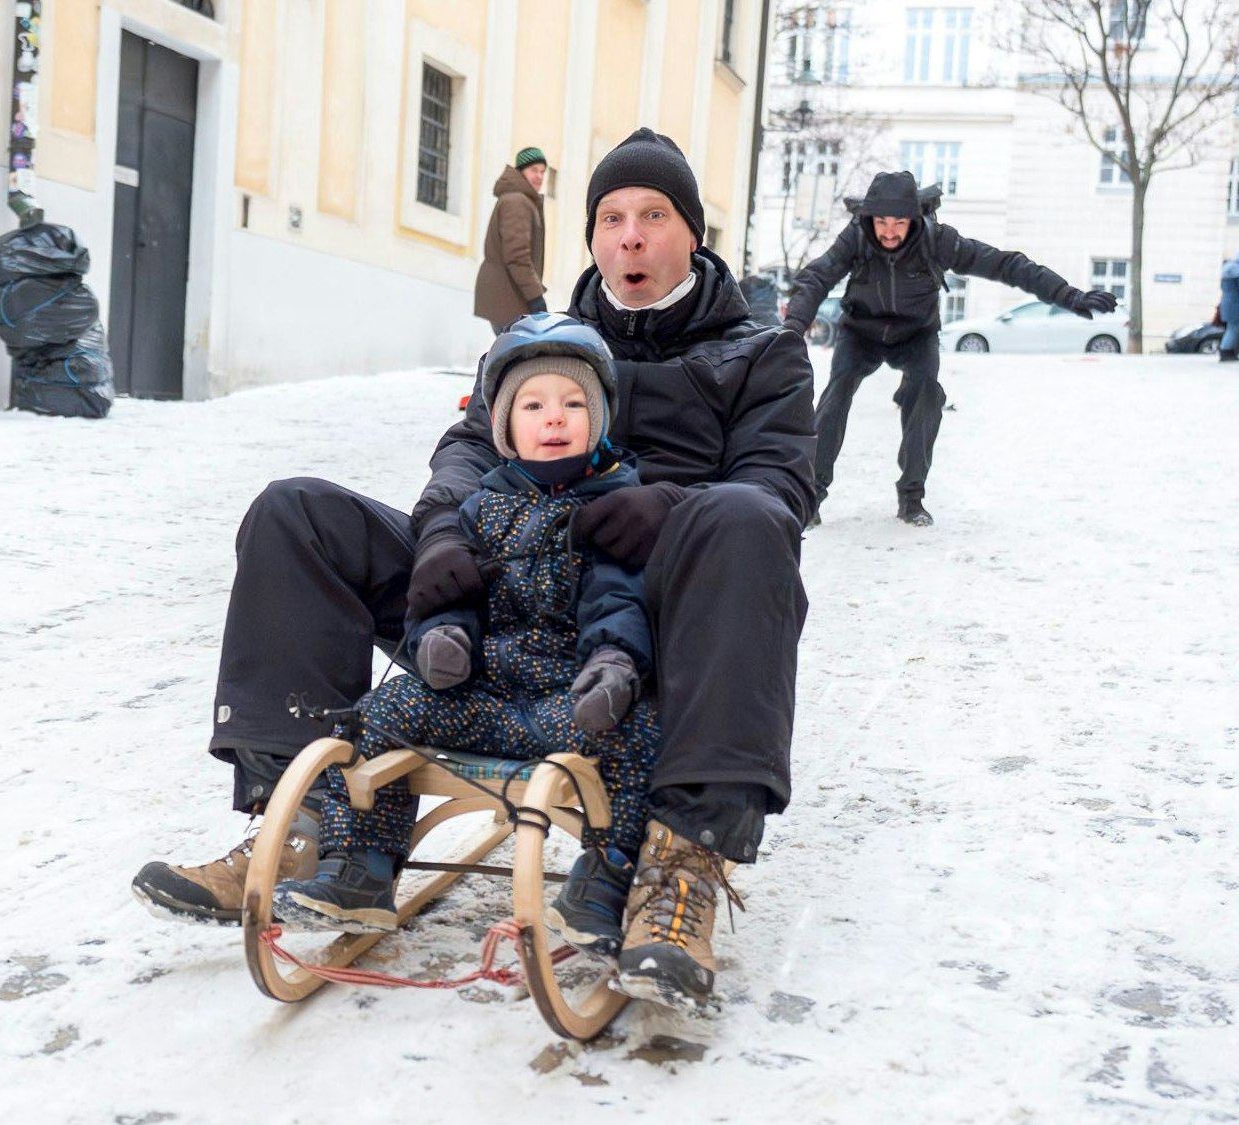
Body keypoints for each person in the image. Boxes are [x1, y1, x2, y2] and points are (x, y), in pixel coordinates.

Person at [131, 127, 817, 1013]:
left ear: (693, 233)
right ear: (592, 235)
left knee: (749, 520)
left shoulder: (760, 355)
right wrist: (446, 533)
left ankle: (682, 859)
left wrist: (673, 505)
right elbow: (463, 450)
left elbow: (779, 489)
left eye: (654, 216)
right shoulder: (542, 342)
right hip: (504, 590)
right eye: (611, 218)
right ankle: (300, 821)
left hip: (643, 608)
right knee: (292, 511)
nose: (631, 237)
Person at [273, 316, 659, 961]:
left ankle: (608, 873)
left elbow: (620, 598)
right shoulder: (479, 506)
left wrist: (613, 665)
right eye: (533, 406)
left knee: (642, 733)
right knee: (379, 715)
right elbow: (453, 593)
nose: (554, 418)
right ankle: (361, 865)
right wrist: (444, 636)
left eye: (573, 405)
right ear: (505, 426)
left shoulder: (613, 507)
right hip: (481, 695)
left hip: (569, 699)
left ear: (600, 419)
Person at [781, 171, 1117, 527]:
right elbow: (816, 277)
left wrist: (1067, 295)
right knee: (835, 396)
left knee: (925, 395)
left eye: (899, 222)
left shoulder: (936, 240)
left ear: (914, 219)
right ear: (869, 219)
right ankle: (811, 496)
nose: (890, 232)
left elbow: (1006, 264)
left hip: (916, 333)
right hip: (861, 331)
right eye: (881, 222)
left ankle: (912, 496)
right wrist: (793, 328)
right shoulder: (856, 238)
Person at [475, 148, 550, 332]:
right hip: (508, 296)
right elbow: (517, 255)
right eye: (534, 170)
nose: (539, 176)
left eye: (542, 172)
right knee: (514, 355)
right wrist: (535, 297)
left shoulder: (521, 199)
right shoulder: (517, 202)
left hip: (509, 294)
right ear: (521, 171)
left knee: (511, 352)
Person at [1218, 252, 1239, 362]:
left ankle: (1228, 352)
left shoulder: (1226, 269)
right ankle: (1226, 352)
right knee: (1233, 329)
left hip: (1225, 302)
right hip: (1235, 303)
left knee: (1230, 328)